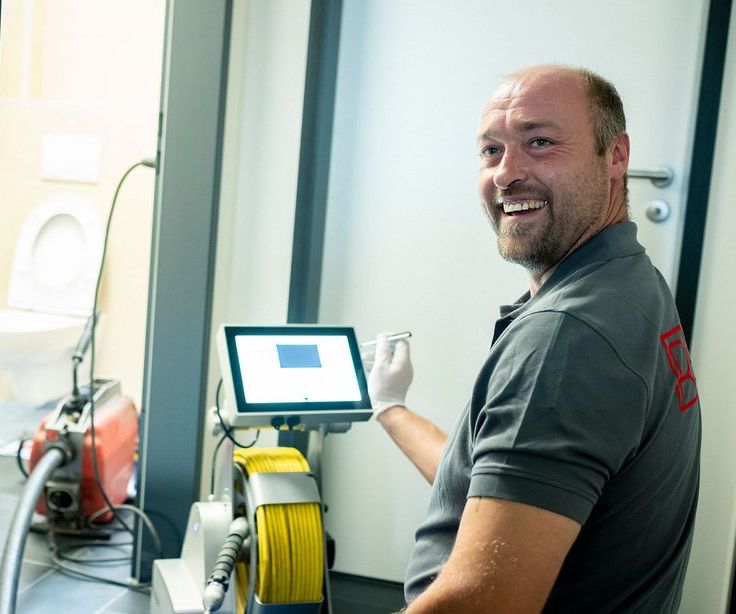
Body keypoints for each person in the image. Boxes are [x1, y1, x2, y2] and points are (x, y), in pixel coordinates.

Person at [367, 65, 701, 613]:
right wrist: (390, 408)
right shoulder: (629, 281)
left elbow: (483, 602)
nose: (506, 173)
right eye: (491, 150)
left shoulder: (568, 336)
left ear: (616, 156)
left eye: (540, 142)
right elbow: (504, 487)